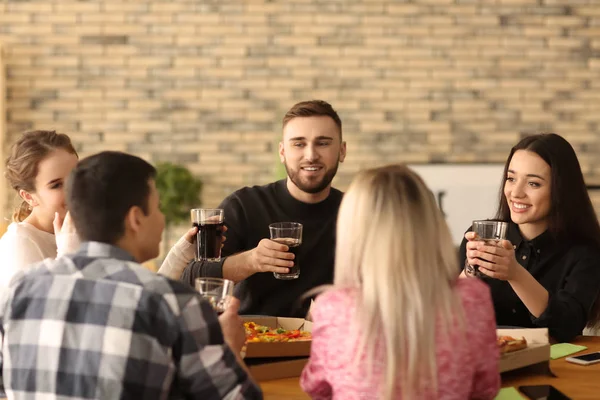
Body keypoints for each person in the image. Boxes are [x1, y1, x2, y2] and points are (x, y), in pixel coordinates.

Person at [0, 151, 262, 399]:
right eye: (158, 208)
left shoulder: (20, 290)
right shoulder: (175, 303)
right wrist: (229, 347)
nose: (161, 219)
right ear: (136, 218)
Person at [300, 165, 500, 400]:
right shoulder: (473, 299)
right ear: (431, 223)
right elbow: (485, 390)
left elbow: (317, 389)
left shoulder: (332, 307)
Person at [182, 100, 347, 317]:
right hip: (252, 345)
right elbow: (188, 279)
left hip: (329, 345)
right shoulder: (244, 205)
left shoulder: (357, 213)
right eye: (299, 144)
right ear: (282, 151)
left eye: (323, 143)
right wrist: (251, 261)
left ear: (342, 151)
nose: (311, 155)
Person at [0, 130, 200, 289]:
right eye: (56, 185)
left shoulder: (84, 227)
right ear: (28, 196)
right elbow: (53, 319)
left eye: (74, 177)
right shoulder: (20, 244)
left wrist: (180, 255)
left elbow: (129, 299)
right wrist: (68, 252)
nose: (72, 190)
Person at [459, 133, 600, 342]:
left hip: (553, 368)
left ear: (561, 190)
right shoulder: (481, 236)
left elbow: (566, 326)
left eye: (533, 184)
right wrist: (470, 270)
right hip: (483, 361)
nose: (515, 193)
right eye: (511, 178)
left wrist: (515, 273)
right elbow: (445, 315)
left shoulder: (584, 252)